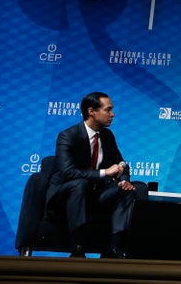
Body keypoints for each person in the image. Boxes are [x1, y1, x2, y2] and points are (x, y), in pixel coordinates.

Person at [46, 92, 138, 258]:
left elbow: (121, 163)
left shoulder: (107, 136)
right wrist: (104, 172)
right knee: (80, 184)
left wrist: (123, 180)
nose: (112, 114)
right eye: (108, 110)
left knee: (132, 189)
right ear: (91, 112)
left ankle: (114, 248)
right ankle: (78, 247)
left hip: (96, 193)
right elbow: (68, 173)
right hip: (67, 193)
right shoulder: (68, 136)